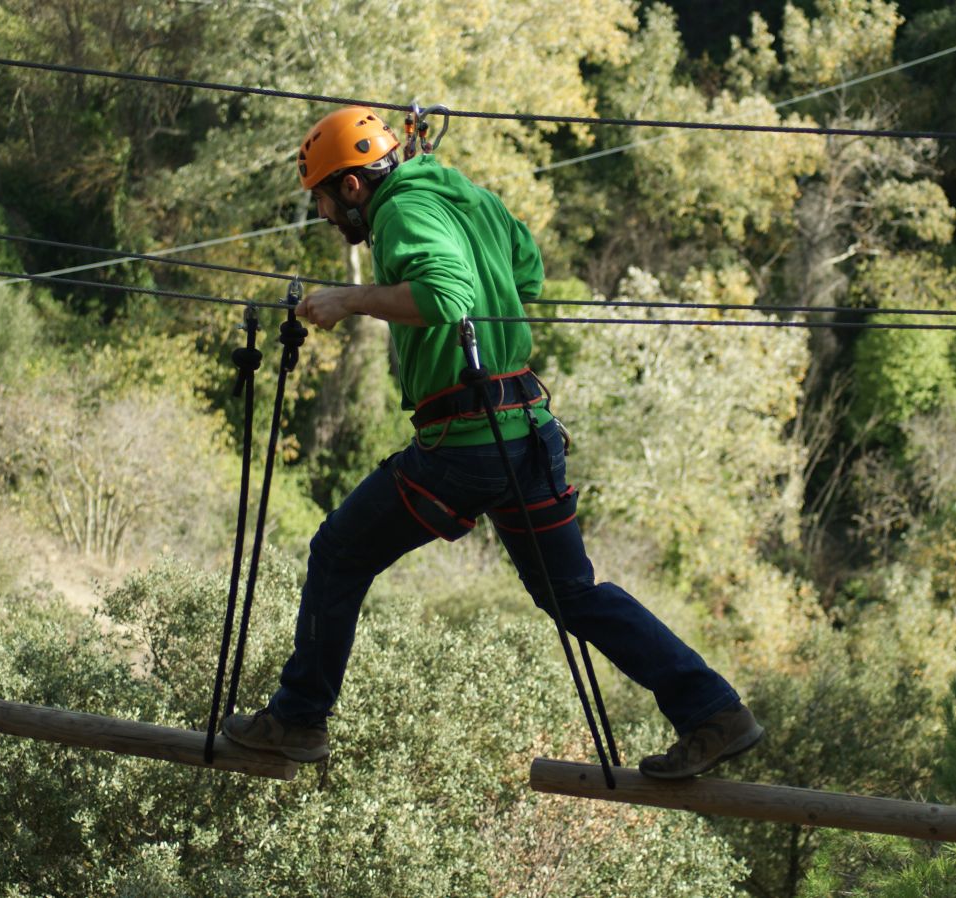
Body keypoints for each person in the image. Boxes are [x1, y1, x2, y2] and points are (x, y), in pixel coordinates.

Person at [221, 106, 764, 779]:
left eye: (326, 202)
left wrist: (351, 300)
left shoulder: (398, 212)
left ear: (353, 187)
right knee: (574, 592)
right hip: (528, 432)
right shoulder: (469, 197)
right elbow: (525, 276)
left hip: (464, 445)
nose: (328, 217)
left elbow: (446, 296)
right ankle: (713, 710)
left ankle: (298, 720)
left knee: (337, 553)